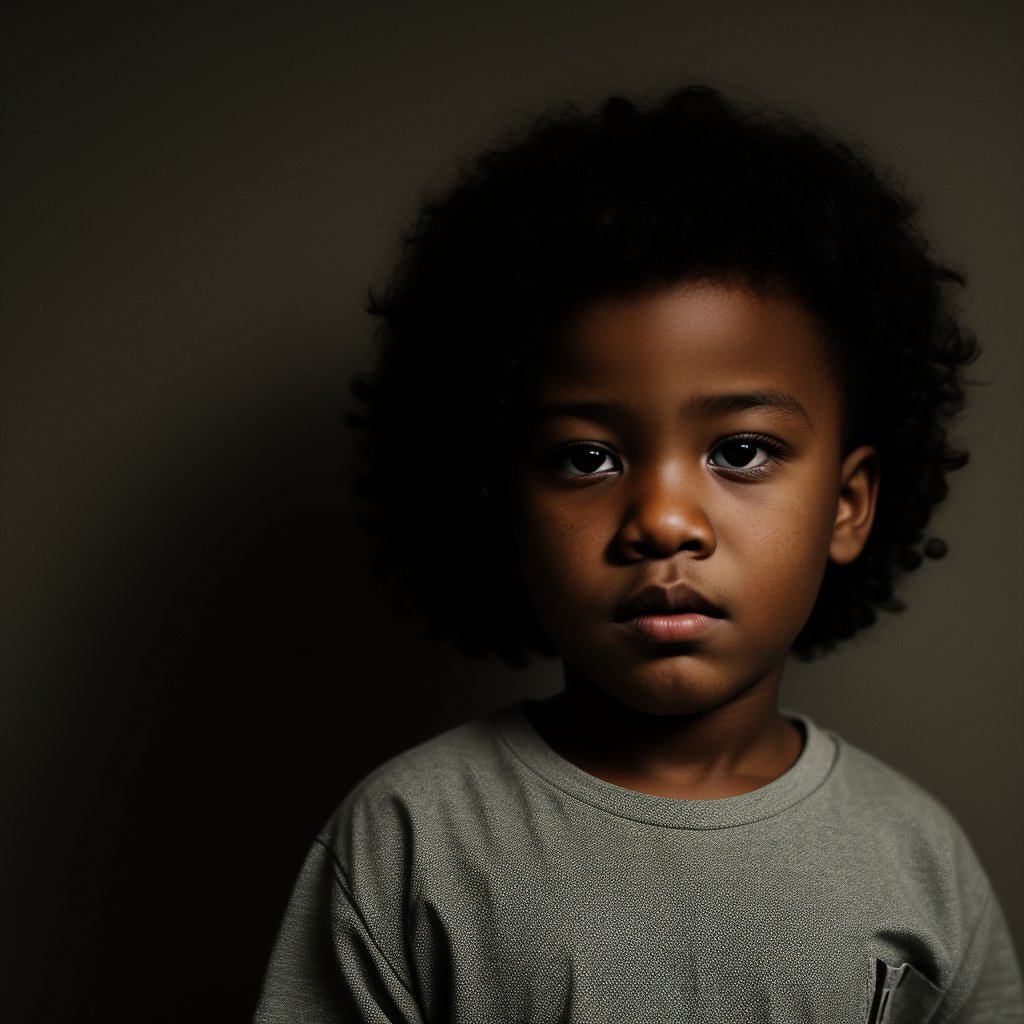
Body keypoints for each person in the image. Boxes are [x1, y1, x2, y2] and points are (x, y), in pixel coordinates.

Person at [254, 85, 1023, 1022]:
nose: (662, 519)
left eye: (740, 451)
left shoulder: (918, 855)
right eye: (588, 458)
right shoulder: (409, 840)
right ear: (500, 508)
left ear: (849, 505)